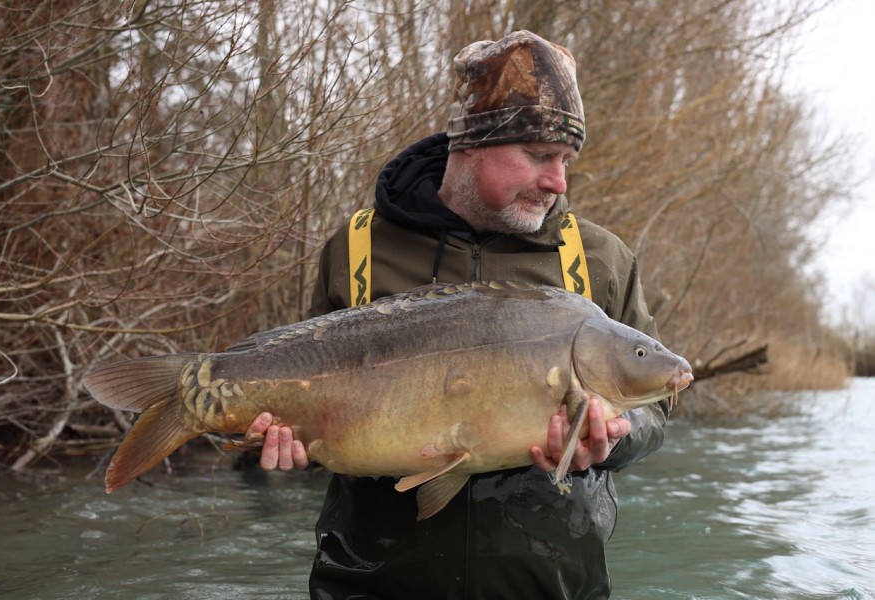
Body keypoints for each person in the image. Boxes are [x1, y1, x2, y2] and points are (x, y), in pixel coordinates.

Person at [245, 30, 669, 599]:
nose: (558, 182)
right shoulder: (358, 246)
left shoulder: (598, 259)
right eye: (539, 156)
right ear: (469, 144)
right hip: (371, 582)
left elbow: (659, 408)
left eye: (566, 160)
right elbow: (306, 390)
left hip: (551, 585)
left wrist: (616, 439)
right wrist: (280, 438)